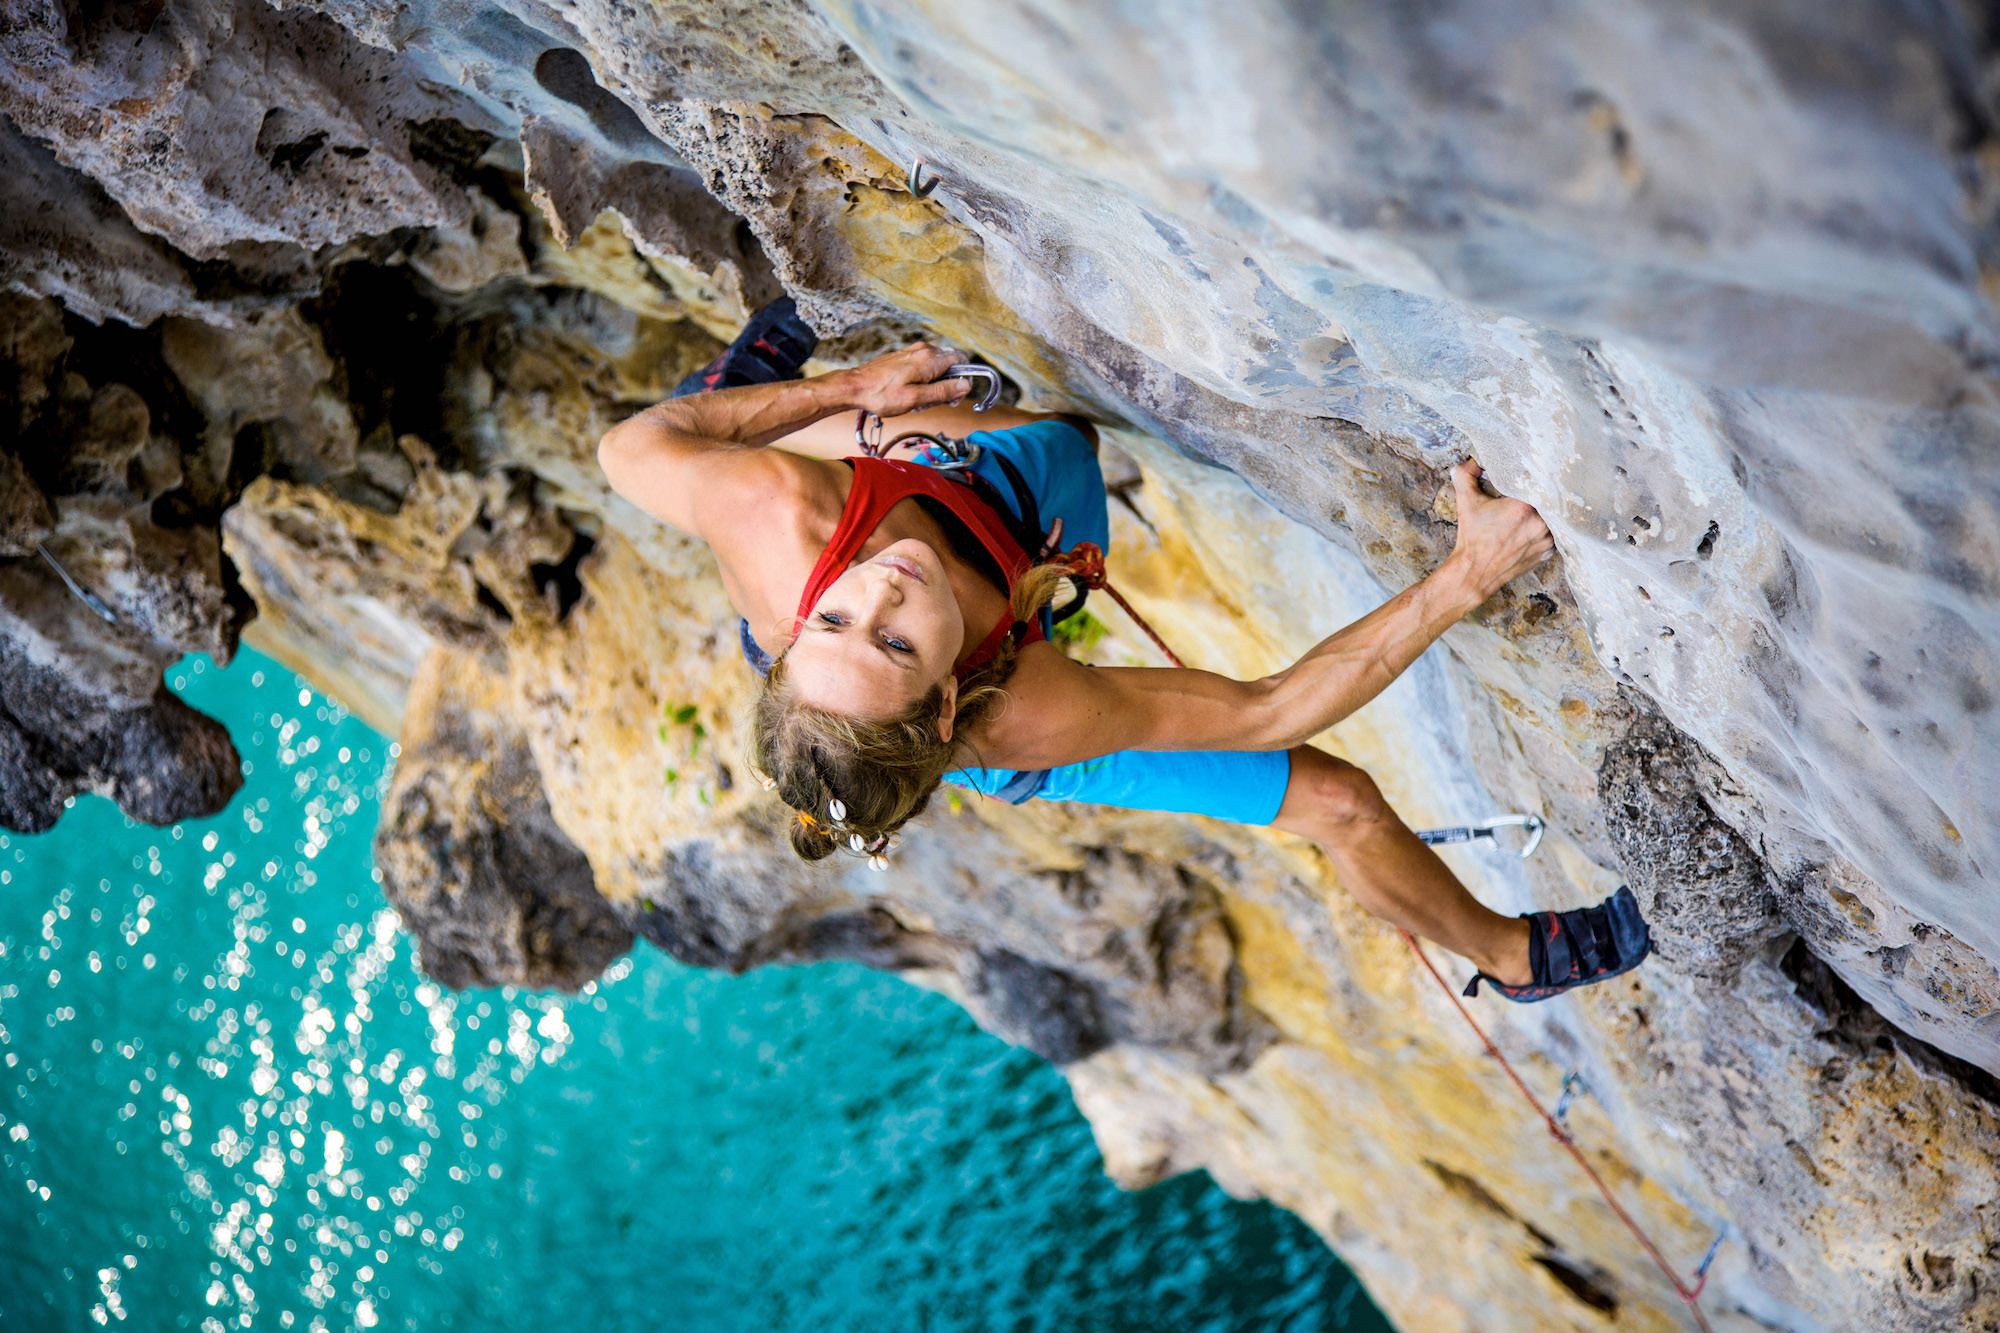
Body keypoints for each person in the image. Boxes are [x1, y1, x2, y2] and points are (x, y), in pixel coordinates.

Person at [600, 301, 1651, 1001]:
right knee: (1337, 802)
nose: (878, 589)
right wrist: (1465, 575)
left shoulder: (779, 522)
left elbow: (631, 447)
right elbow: (1267, 710)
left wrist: (845, 391)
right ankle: (1511, 957)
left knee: (1026, 435)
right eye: (891, 639)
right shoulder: (1026, 714)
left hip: (867, 525)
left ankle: (755, 400)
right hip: (990, 621)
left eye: (837, 618)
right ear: (949, 707)